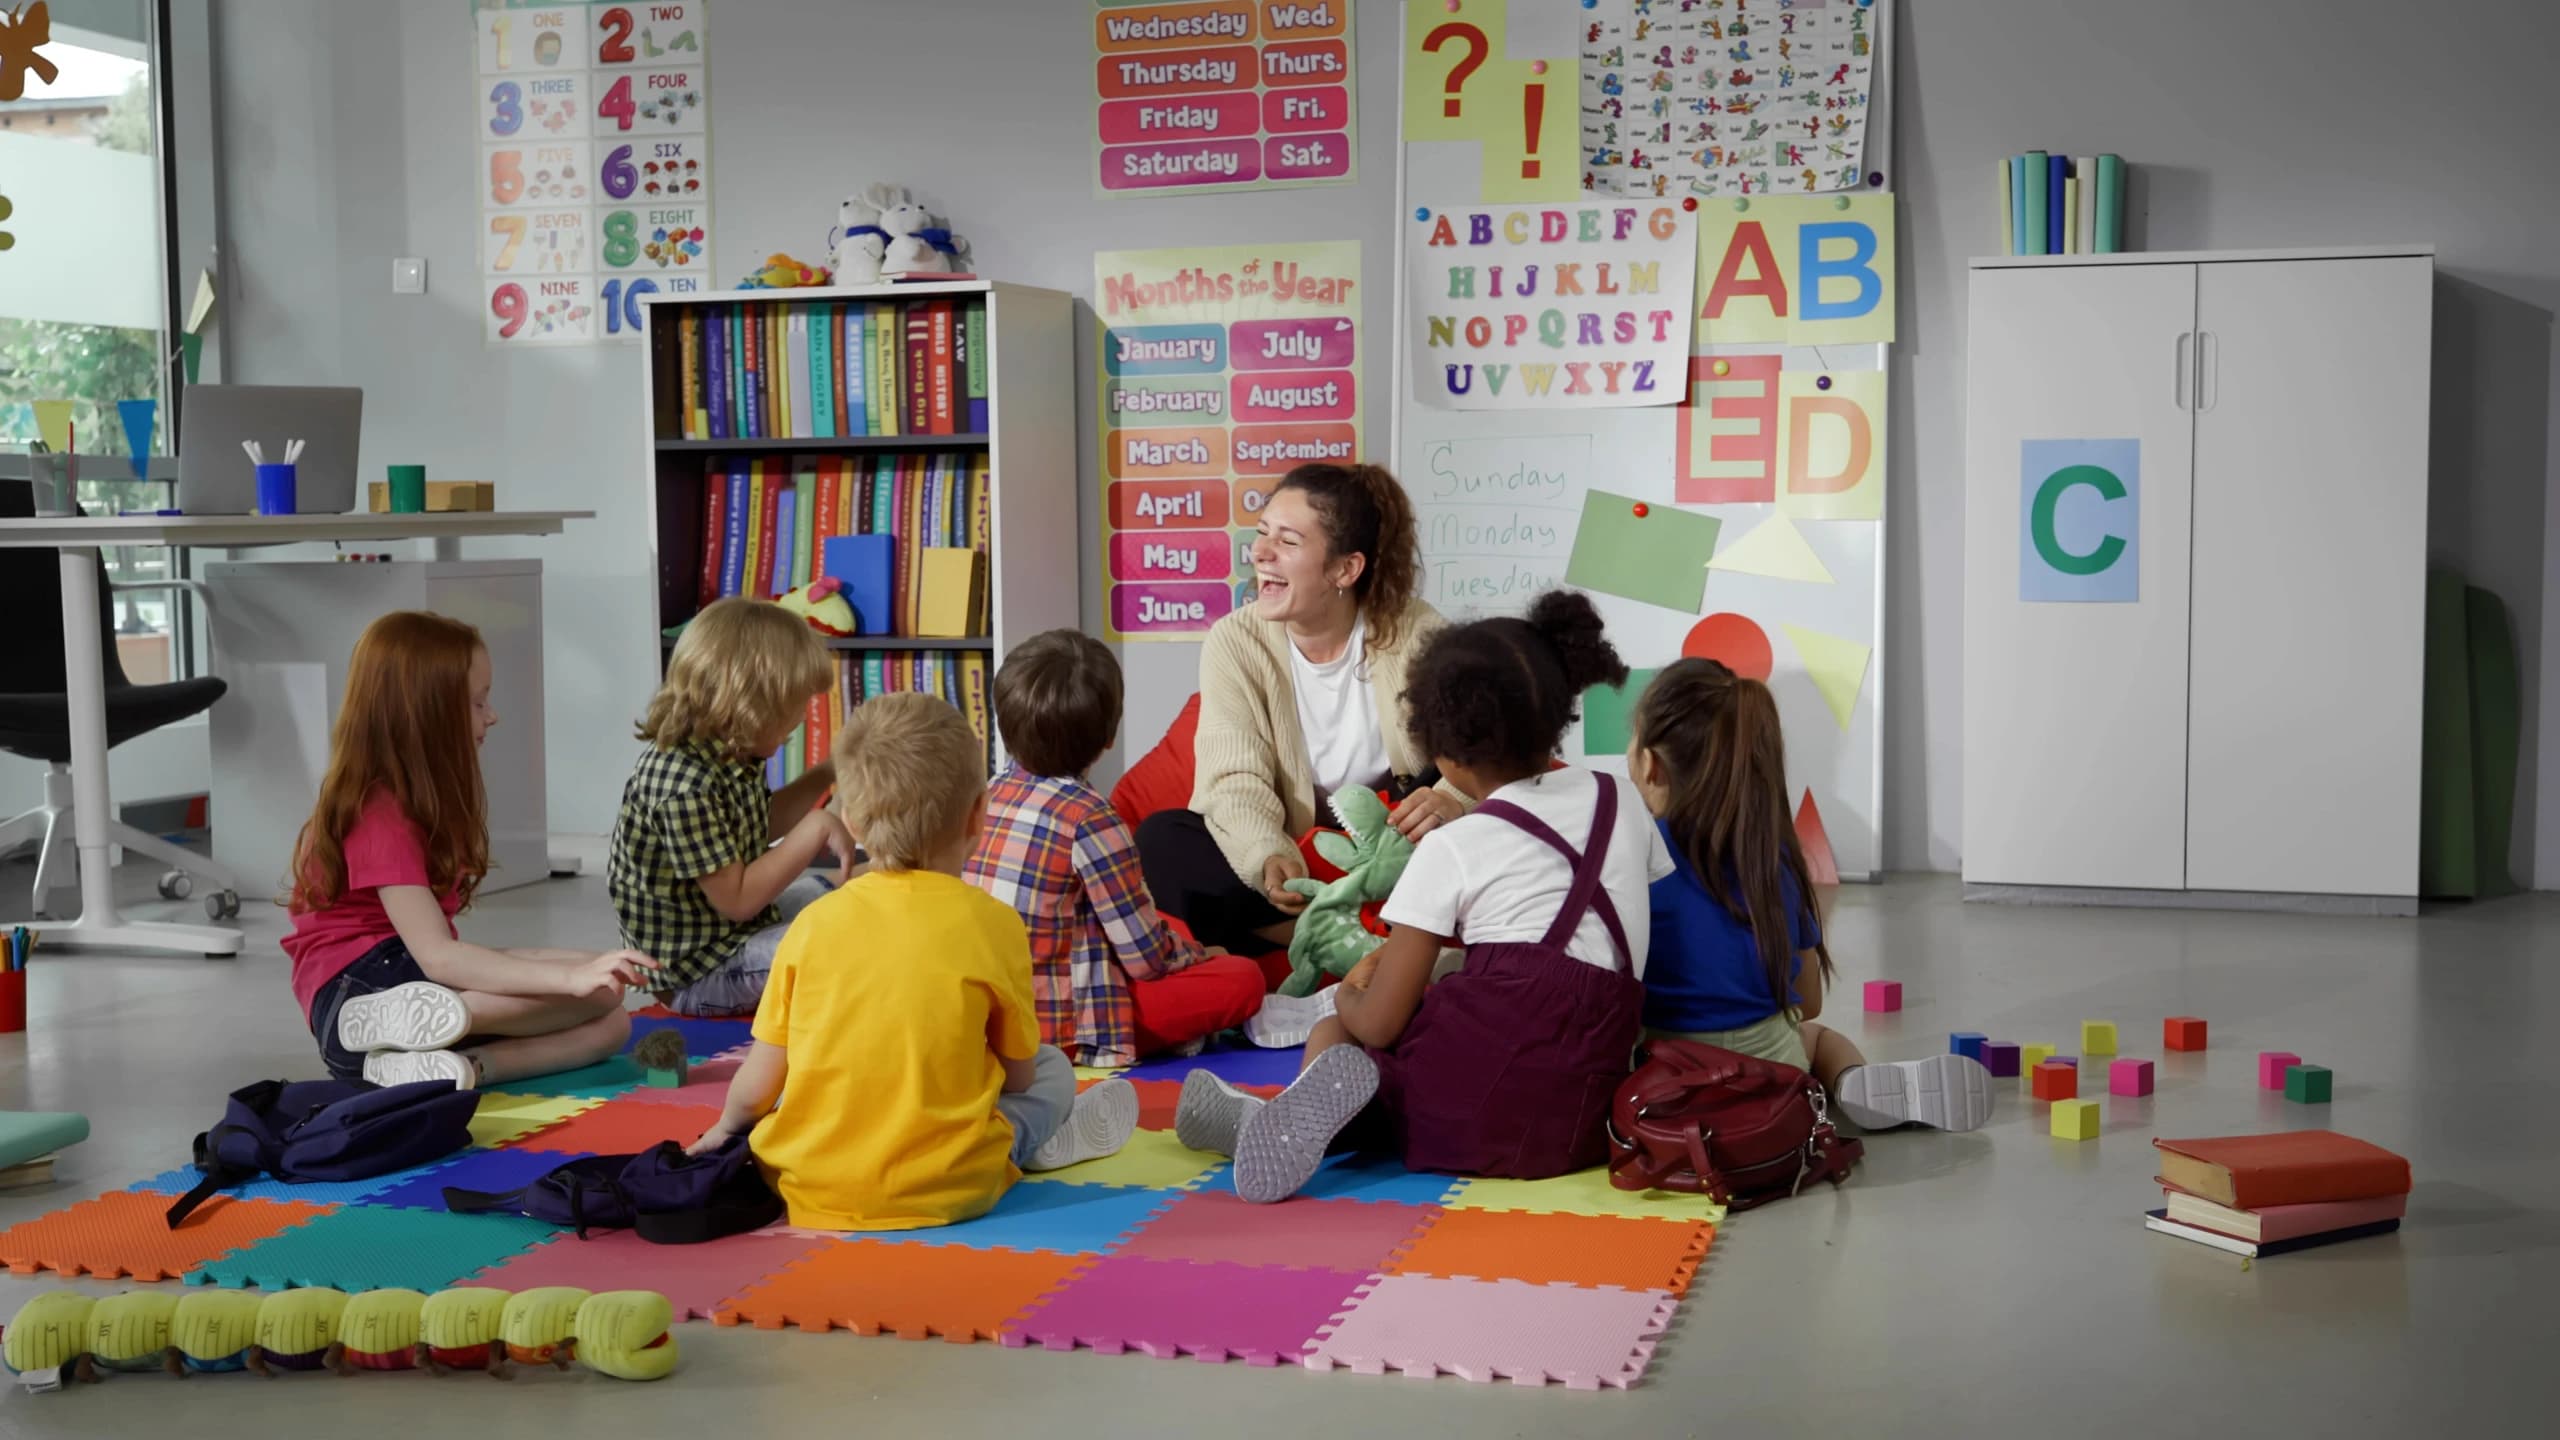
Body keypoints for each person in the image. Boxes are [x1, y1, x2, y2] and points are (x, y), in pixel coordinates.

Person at [1175, 592, 1669, 1203]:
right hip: (1583, 1118)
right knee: (1456, 998)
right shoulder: (1619, 799)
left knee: (1334, 1035)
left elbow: (1379, 1023)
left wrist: (1352, 993)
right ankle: (1276, 1121)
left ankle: (1273, 1123)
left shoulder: (1453, 846)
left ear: (1443, 751)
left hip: (1470, 1113)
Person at [687, 693, 1140, 1230]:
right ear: (979, 816)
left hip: (804, 1184)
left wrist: (724, 1131)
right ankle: (1029, 1146)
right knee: (1052, 1068)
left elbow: (757, 1084)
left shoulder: (812, 924)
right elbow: (1018, 1079)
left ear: (850, 821)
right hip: (954, 1183)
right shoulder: (994, 924)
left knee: (810, 1071)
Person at [1135, 462, 1465, 1043]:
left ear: (1345, 568)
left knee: (1464, 804)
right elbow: (1231, 775)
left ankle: (1358, 938)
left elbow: (1476, 754)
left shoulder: (1417, 632)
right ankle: (1348, 939)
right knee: (1163, 840)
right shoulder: (1234, 641)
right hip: (1296, 863)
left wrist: (1449, 801)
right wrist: (1266, 856)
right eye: (1262, 534)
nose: (1261, 553)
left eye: (1287, 542)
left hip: (1391, 854)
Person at [284, 611, 655, 1088]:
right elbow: (439, 957)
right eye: (478, 703)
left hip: (401, 995)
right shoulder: (378, 813)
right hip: (357, 999)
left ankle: (460, 1067)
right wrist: (569, 981)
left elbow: (452, 955)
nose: (492, 715)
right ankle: (423, 1021)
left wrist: (591, 963)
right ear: (428, 714)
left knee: (611, 1020)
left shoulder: (408, 800)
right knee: (597, 997)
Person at [1628, 659, 1992, 1131]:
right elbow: (1808, 1000)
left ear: (1651, 764)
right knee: (1818, 1038)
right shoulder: (1771, 859)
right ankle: (1854, 1083)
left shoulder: (1633, 856)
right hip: (1773, 1075)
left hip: (1665, 1078)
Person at [966, 629, 1269, 1067]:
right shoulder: (1090, 818)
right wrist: (1203, 955)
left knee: (1167, 926)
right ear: (1108, 739)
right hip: (1060, 1028)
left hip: (987, 1015)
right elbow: (1146, 959)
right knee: (1243, 978)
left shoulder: (987, 793)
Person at [609, 598, 852, 1017]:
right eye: (794, 705)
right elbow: (738, 900)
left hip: (735, 932)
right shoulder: (683, 785)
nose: (801, 718)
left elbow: (757, 826)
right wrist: (816, 827)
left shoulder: (726, 752)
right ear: (750, 704)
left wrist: (827, 772)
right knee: (842, 942)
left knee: (853, 899)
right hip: (702, 974)